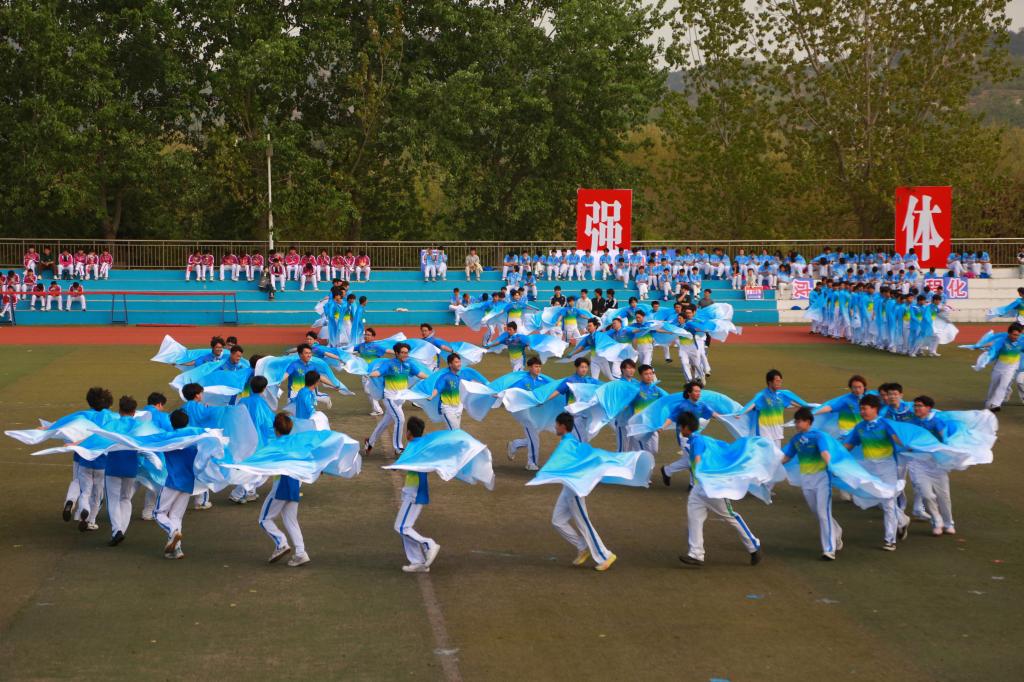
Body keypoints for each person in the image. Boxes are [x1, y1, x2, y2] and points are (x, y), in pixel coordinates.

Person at [676, 412, 762, 567]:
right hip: (699, 488)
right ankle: (696, 554)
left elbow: (698, 458)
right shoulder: (700, 438)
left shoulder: (697, 441)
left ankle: (753, 544)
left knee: (730, 516)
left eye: (680, 426)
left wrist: (701, 472)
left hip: (711, 488)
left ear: (686, 427)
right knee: (694, 517)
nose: (679, 429)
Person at [545, 412, 617, 571]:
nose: (555, 427)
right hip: (568, 487)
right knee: (557, 521)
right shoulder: (569, 441)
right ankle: (582, 547)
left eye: (556, 424)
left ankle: (605, 555)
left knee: (583, 523)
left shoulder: (568, 443)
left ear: (562, 426)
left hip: (575, 488)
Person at [843, 394, 910, 551]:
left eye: (865, 408)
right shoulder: (859, 427)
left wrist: (914, 447)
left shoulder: (886, 424)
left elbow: (899, 440)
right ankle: (902, 519)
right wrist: (834, 459)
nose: (862, 412)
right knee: (879, 500)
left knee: (888, 503)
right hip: (868, 469)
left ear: (875, 409)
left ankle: (890, 540)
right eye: (861, 409)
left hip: (887, 467)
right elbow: (848, 445)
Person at [782, 408, 843, 560]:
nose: (796, 424)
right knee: (818, 513)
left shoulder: (818, 436)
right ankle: (836, 531)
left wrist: (831, 466)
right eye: (796, 421)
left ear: (808, 422)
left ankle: (829, 549)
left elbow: (824, 452)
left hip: (822, 479)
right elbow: (787, 457)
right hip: (806, 480)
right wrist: (771, 467)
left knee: (823, 513)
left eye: (799, 421)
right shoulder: (795, 440)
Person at [256, 413, 311, 567]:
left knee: (264, 519)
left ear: (275, 429)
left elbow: (260, 460)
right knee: (291, 520)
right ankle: (301, 553)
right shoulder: (296, 443)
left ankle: (281, 543)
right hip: (294, 485)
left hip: (280, 486)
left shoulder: (275, 445)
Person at [390, 417, 442, 573]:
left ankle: (428, 544)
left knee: (401, 527)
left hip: (414, 492)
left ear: (408, 433)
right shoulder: (422, 445)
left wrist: (390, 466)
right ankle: (417, 561)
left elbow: (398, 465)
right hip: (414, 490)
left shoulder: (412, 446)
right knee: (405, 527)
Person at [366, 342, 429, 457]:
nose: (405, 355)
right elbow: (379, 372)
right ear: (396, 353)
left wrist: (433, 378)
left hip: (401, 399)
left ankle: (369, 442)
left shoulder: (409, 364)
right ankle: (398, 447)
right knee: (400, 420)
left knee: (384, 423)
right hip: (390, 398)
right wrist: (370, 374)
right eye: (403, 353)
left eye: (407, 353)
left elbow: (420, 374)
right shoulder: (389, 364)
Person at [910, 396, 956, 536]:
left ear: (928, 408)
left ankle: (948, 523)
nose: (917, 408)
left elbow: (945, 440)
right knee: (926, 495)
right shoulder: (912, 422)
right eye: (915, 406)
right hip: (918, 463)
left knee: (944, 496)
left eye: (920, 406)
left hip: (936, 464)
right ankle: (937, 521)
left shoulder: (936, 422)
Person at [104, 395, 145, 546]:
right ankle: (121, 529)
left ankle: (117, 530)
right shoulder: (140, 425)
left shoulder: (111, 424)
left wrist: (77, 443)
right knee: (126, 498)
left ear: (119, 410)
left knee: (113, 499)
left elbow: (96, 438)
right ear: (134, 412)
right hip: (131, 466)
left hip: (113, 465)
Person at [507, 357, 549, 470]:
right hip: (523, 412)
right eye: (536, 366)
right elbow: (511, 391)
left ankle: (515, 444)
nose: (538, 369)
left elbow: (553, 388)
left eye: (539, 366)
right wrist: (500, 394)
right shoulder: (523, 380)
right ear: (530, 367)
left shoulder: (542, 380)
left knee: (532, 437)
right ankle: (531, 463)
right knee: (534, 436)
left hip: (536, 413)